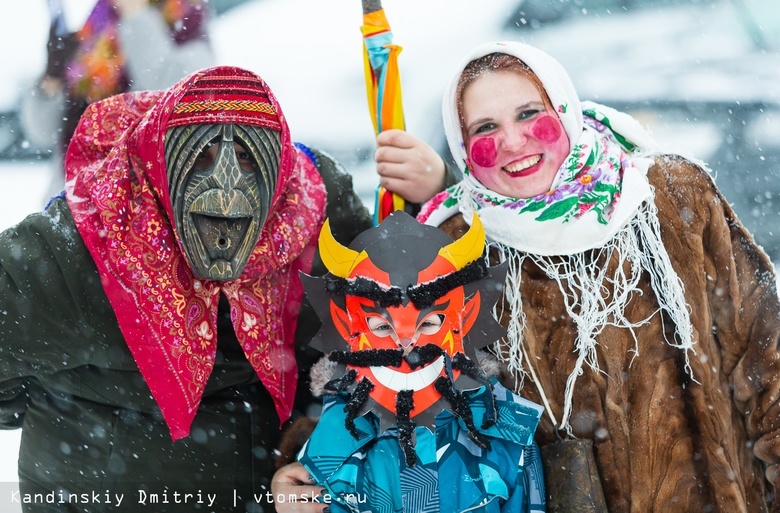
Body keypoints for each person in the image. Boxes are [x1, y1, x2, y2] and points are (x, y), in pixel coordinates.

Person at [410, 41, 780, 512]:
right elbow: (416, 410)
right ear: (464, 149)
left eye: (529, 114)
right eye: (485, 128)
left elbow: (767, 364)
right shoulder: (458, 251)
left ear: (564, 110)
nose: (514, 141)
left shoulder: (667, 196)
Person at [0, 65, 373, 512]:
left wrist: (312, 443)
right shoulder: (84, 246)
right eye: (201, 156)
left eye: (250, 158)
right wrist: (81, 414)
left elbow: (380, 342)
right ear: (159, 161)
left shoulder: (316, 217)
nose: (227, 187)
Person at [293, 211, 545, 513]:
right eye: (382, 327)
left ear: (465, 317)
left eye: (429, 323)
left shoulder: (509, 437)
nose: (406, 342)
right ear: (347, 326)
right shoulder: (330, 440)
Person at [20, 0, 214, 204]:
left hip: (139, 208)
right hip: (72, 202)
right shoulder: (98, 25)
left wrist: (135, 14)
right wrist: (52, 78)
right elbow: (41, 133)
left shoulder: (187, 16)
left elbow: (171, 91)